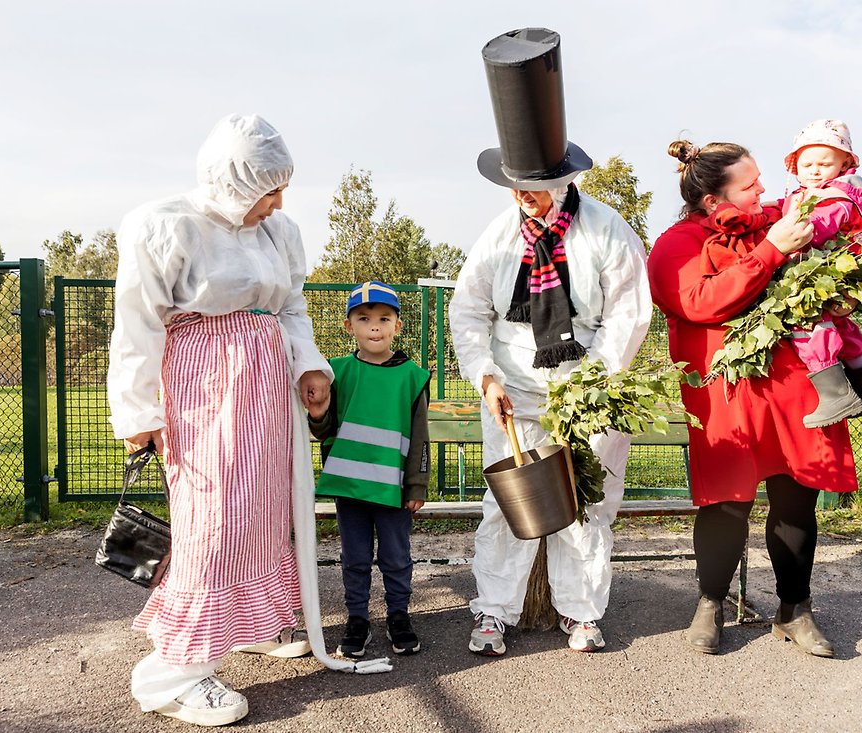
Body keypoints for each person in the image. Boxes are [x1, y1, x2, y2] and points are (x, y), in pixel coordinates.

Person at [107, 114, 332, 726]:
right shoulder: (163, 223)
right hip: (203, 386)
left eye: (282, 188)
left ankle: (246, 622)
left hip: (264, 386)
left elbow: (291, 307)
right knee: (213, 515)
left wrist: (308, 366)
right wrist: (138, 409)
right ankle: (173, 673)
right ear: (232, 181)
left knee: (262, 508)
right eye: (268, 189)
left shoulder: (279, 231)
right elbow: (137, 323)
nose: (279, 201)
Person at [450, 28, 652, 656]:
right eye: (516, 189)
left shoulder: (605, 230)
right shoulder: (498, 234)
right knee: (505, 505)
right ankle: (494, 611)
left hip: (587, 387)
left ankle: (582, 612)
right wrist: (484, 373)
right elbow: (468, 307)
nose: (524, 199)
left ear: (563, 180)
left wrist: (592, 382)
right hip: (513, 386)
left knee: (586, 504)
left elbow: (630, 312)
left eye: (533, 188)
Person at [647, 138, 859, 658]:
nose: (764, 188)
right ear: (713, 195)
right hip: (727, 395)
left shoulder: (775, 219)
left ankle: (795, 609)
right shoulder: (678, 242)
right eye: (750, 183)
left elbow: (836, 237)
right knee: (725, 503)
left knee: (796, 497)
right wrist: (773, 250)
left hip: (795, 389)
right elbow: (700, 302)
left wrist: (846, 275)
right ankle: (710, 604)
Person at [308, 281, 431, 659]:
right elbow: (324, 428)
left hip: (392, 489)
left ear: (397, 326)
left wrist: (416, 486)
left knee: (396, 557)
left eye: (383, 318)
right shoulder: (335, 371)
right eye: (363, 319)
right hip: (350, 487)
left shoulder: (412, 376)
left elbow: (420, 436)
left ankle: (398, 616)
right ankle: (357, 619)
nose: (374, 326)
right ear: (350, 327)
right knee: (355, 558)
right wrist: (317, 414)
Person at [781, 118, 862, 427]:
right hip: (832, 273)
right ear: (795, 165)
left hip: (821, 273)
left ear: (844, 163)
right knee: (840, 327)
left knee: (808, 323)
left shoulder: (836, 197)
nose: (815, 170)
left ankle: (836, 396)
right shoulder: (814, 192)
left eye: (824, 163)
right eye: (807, 164)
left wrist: (790, 234)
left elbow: (817, 226)